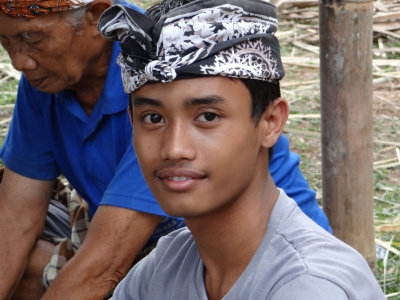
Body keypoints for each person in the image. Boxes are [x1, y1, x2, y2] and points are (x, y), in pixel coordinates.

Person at [0, 0, 329, 298]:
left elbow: (105, 265)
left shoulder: (160, 63)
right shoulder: (49, 78)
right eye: (5, 42)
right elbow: (15, 216)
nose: (19, 61)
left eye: (32, 39)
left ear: (97, 17)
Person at [98, 0, 385, 299]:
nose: (174, 148)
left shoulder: (309, 285)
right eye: (153, 118)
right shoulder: (165, 267)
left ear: (271, 122)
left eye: (208, 116)